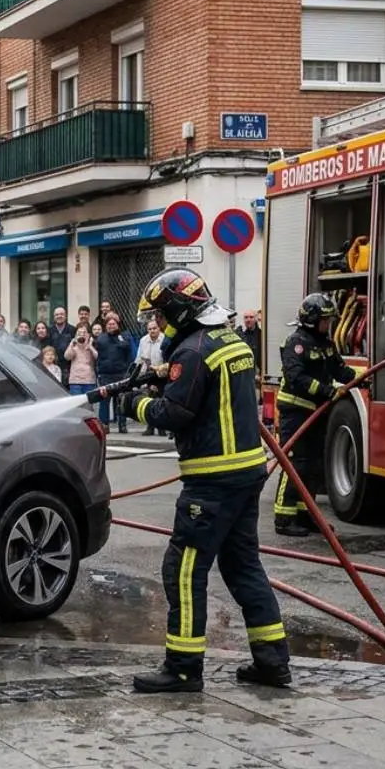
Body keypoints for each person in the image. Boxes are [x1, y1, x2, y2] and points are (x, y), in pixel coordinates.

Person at [113, 268, 290, 693]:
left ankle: (183, 668)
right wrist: (162, 376)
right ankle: (273, 663)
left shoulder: (192, 351)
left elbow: (175, 413)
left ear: (179, 310)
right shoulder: (229, 340)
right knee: (243, 566)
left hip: (212, 482)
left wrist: (135, 403)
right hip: (247, 474)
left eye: (162, 314)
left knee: (184, 570)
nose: (159, 323)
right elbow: (209, 393)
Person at [273, 293, 357, 538]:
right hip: (295, 413)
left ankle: (305, 515)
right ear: (311, 320)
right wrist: (327, 391)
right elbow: (297, 379)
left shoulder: (326, 344)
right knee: (295, 465)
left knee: (314, 466)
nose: (328, 324)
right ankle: (284, 518)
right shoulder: (295, 343)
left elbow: (338, 369)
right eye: (324, 320)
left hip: (317, 413)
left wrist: (359, 378)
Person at [94, 314, 132, 434]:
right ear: (105, 326)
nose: (111, 326)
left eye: (113, 324)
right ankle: (104, 425)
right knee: (104, 401)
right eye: (109, 324)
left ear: (118, 324)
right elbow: (98, 357)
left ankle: (122, 425)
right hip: (105, 375)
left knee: (120, 400)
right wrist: (99, 372)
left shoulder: (124, 336)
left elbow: (126, 347)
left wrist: (117, 336)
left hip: (121, 374)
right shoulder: (101, 338)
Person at [135, 319, 169, 436]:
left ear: (159, 328)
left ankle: (162, 427)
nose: (152, 331)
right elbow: (139, 358)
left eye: (154, 328)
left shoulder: (165, 339)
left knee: (161, 401)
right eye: (149, 329)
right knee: (150, 400)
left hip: (162, 373)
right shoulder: (143, 340)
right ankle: (150, 427)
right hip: (149, 373)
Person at [63, 323, 97, 398]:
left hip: (89, 381)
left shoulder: (91, 347)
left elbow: (97, 357)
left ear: (88, 335)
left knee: (89, 406)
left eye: (84, 333)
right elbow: (67, 357)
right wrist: (71, 344)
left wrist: (90, 346)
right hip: (75, 381)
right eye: (79, 333)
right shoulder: (73, 347)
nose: (82, 335)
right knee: (77, 406)